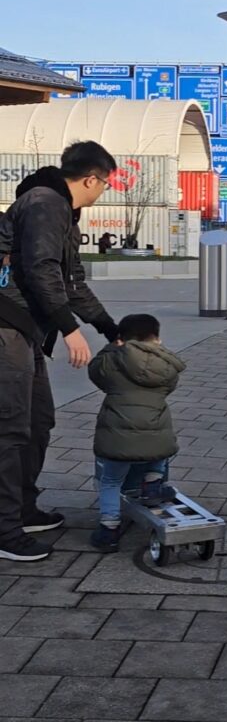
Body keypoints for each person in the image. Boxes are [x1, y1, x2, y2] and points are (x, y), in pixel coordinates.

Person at [0, 143, 120, 562]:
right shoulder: (45, 203)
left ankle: (22, 508)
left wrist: (108, 327)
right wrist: (71, 330)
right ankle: (5, 528)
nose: (103, 191)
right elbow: (39, 269)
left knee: (38, 420)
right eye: (105, 184)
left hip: (25, 330)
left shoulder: (62, 210)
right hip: (6, 327)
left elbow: (72, 282)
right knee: (11, 428)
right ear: (91, 178)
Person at [88, 313, 185, 552]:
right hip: (156, 435)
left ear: (122, 338)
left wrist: (112, 346)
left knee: (110, 481)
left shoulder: (111, 362)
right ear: (157, 338)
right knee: (157, 450)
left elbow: (95, 371)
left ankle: (109, 529)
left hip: (117, 438)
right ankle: (152, 484)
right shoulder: (166, 365)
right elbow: (169, 387)